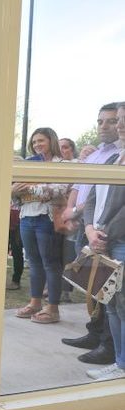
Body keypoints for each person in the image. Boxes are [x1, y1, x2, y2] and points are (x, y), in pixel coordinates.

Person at [60, 103, 122, 364]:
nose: (111, 125)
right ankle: (99, 338)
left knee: (115, 301)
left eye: (115, 120)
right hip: (93, 231)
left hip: (110, 236)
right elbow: (91, 192)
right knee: (100, 293)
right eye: (105, 121)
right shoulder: (104, 157)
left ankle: (112, 354)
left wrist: (100, 233)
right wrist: (86, 225)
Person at [81, 104, 125, 380]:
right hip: (101, 238)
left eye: (122, 120)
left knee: (122, 305)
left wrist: (104, 235)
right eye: (119, 120)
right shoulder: (113, 160)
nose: (119, 125)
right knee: (111, 304)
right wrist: (88, 229)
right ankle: (120, 363)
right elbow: (92, 198)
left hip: (116, 241)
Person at [11, 127, 68, 324]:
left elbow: (60, 190)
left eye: (41, 141)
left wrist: (29, 188)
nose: (37, 145)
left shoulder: (62, 164)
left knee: (51, 263)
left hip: (48, 218)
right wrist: (14, 190)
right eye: (34, 142)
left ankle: (52, 308)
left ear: (51, 140)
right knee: (34, 263)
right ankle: (35, 303)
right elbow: (16, 196)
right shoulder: (29, 164)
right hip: (27, 216)